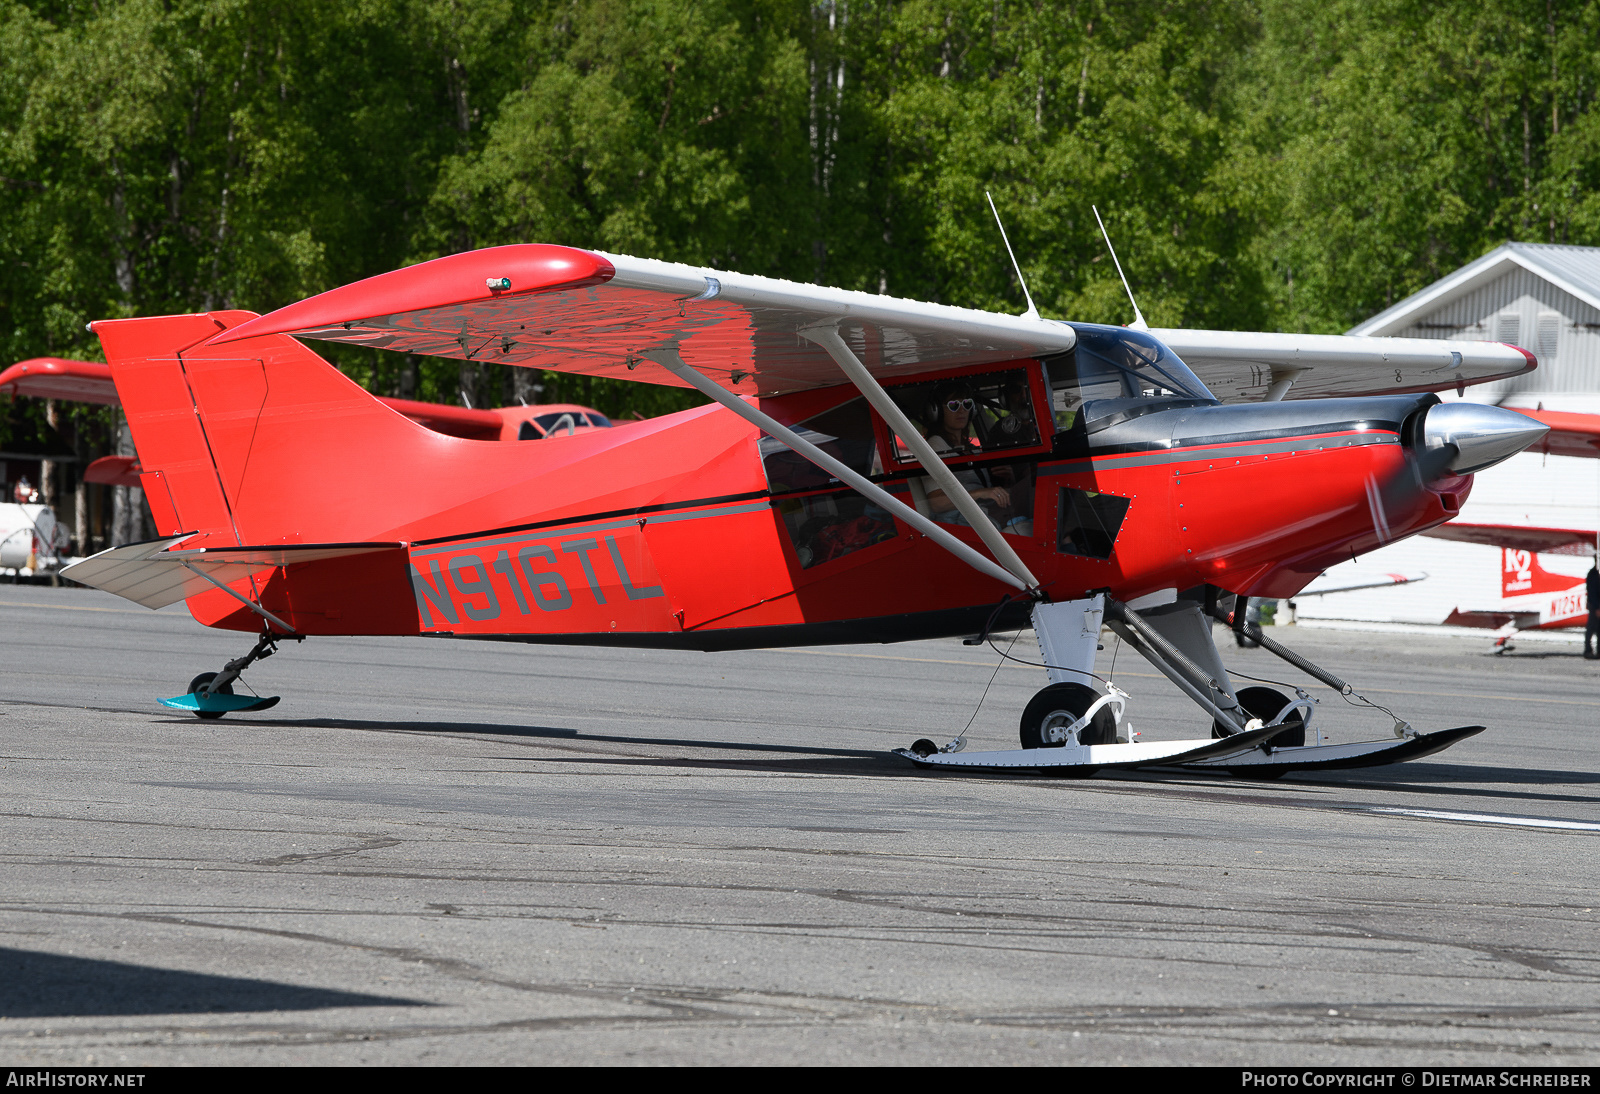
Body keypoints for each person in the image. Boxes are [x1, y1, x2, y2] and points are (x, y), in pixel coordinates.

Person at [920, 381, 1011, 529]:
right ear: (937, 411)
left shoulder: (971, 449)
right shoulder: (936, 445)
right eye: (954, 405)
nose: (962, 411)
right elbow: (937, 503)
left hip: (982, 514)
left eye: (967, 404)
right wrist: (982, 493)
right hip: (960, 521)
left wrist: (1007, 479)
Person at [1586, 563, 1600, 660]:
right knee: (1591, 628)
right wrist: (1597, 607)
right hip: (1594, 606)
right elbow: (1592, 593)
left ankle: (1599, 651)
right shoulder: (1593, 574)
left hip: (1596, 605)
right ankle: (1588, 650)